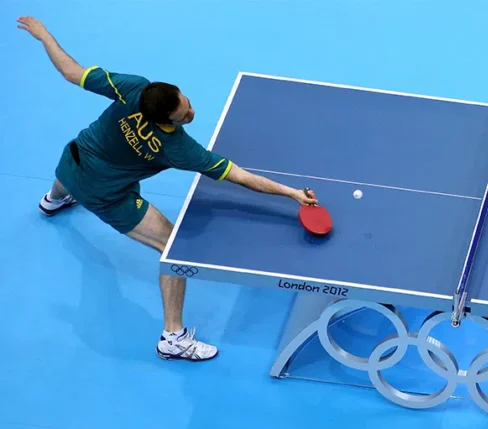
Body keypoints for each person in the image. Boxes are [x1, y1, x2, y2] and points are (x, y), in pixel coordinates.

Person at [18, 16, 319, 362]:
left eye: (185, 102)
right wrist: (291, 193)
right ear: (164, 120)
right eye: (183, 115)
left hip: (72, 161)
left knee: (74, 168)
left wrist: (44, 35)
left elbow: (71, 72)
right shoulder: (178, 149)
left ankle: (52, 202)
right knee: (171, 249)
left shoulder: (133, 89)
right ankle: (173, 338)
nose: (190, 112)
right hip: (108, 196)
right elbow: (237, 175)